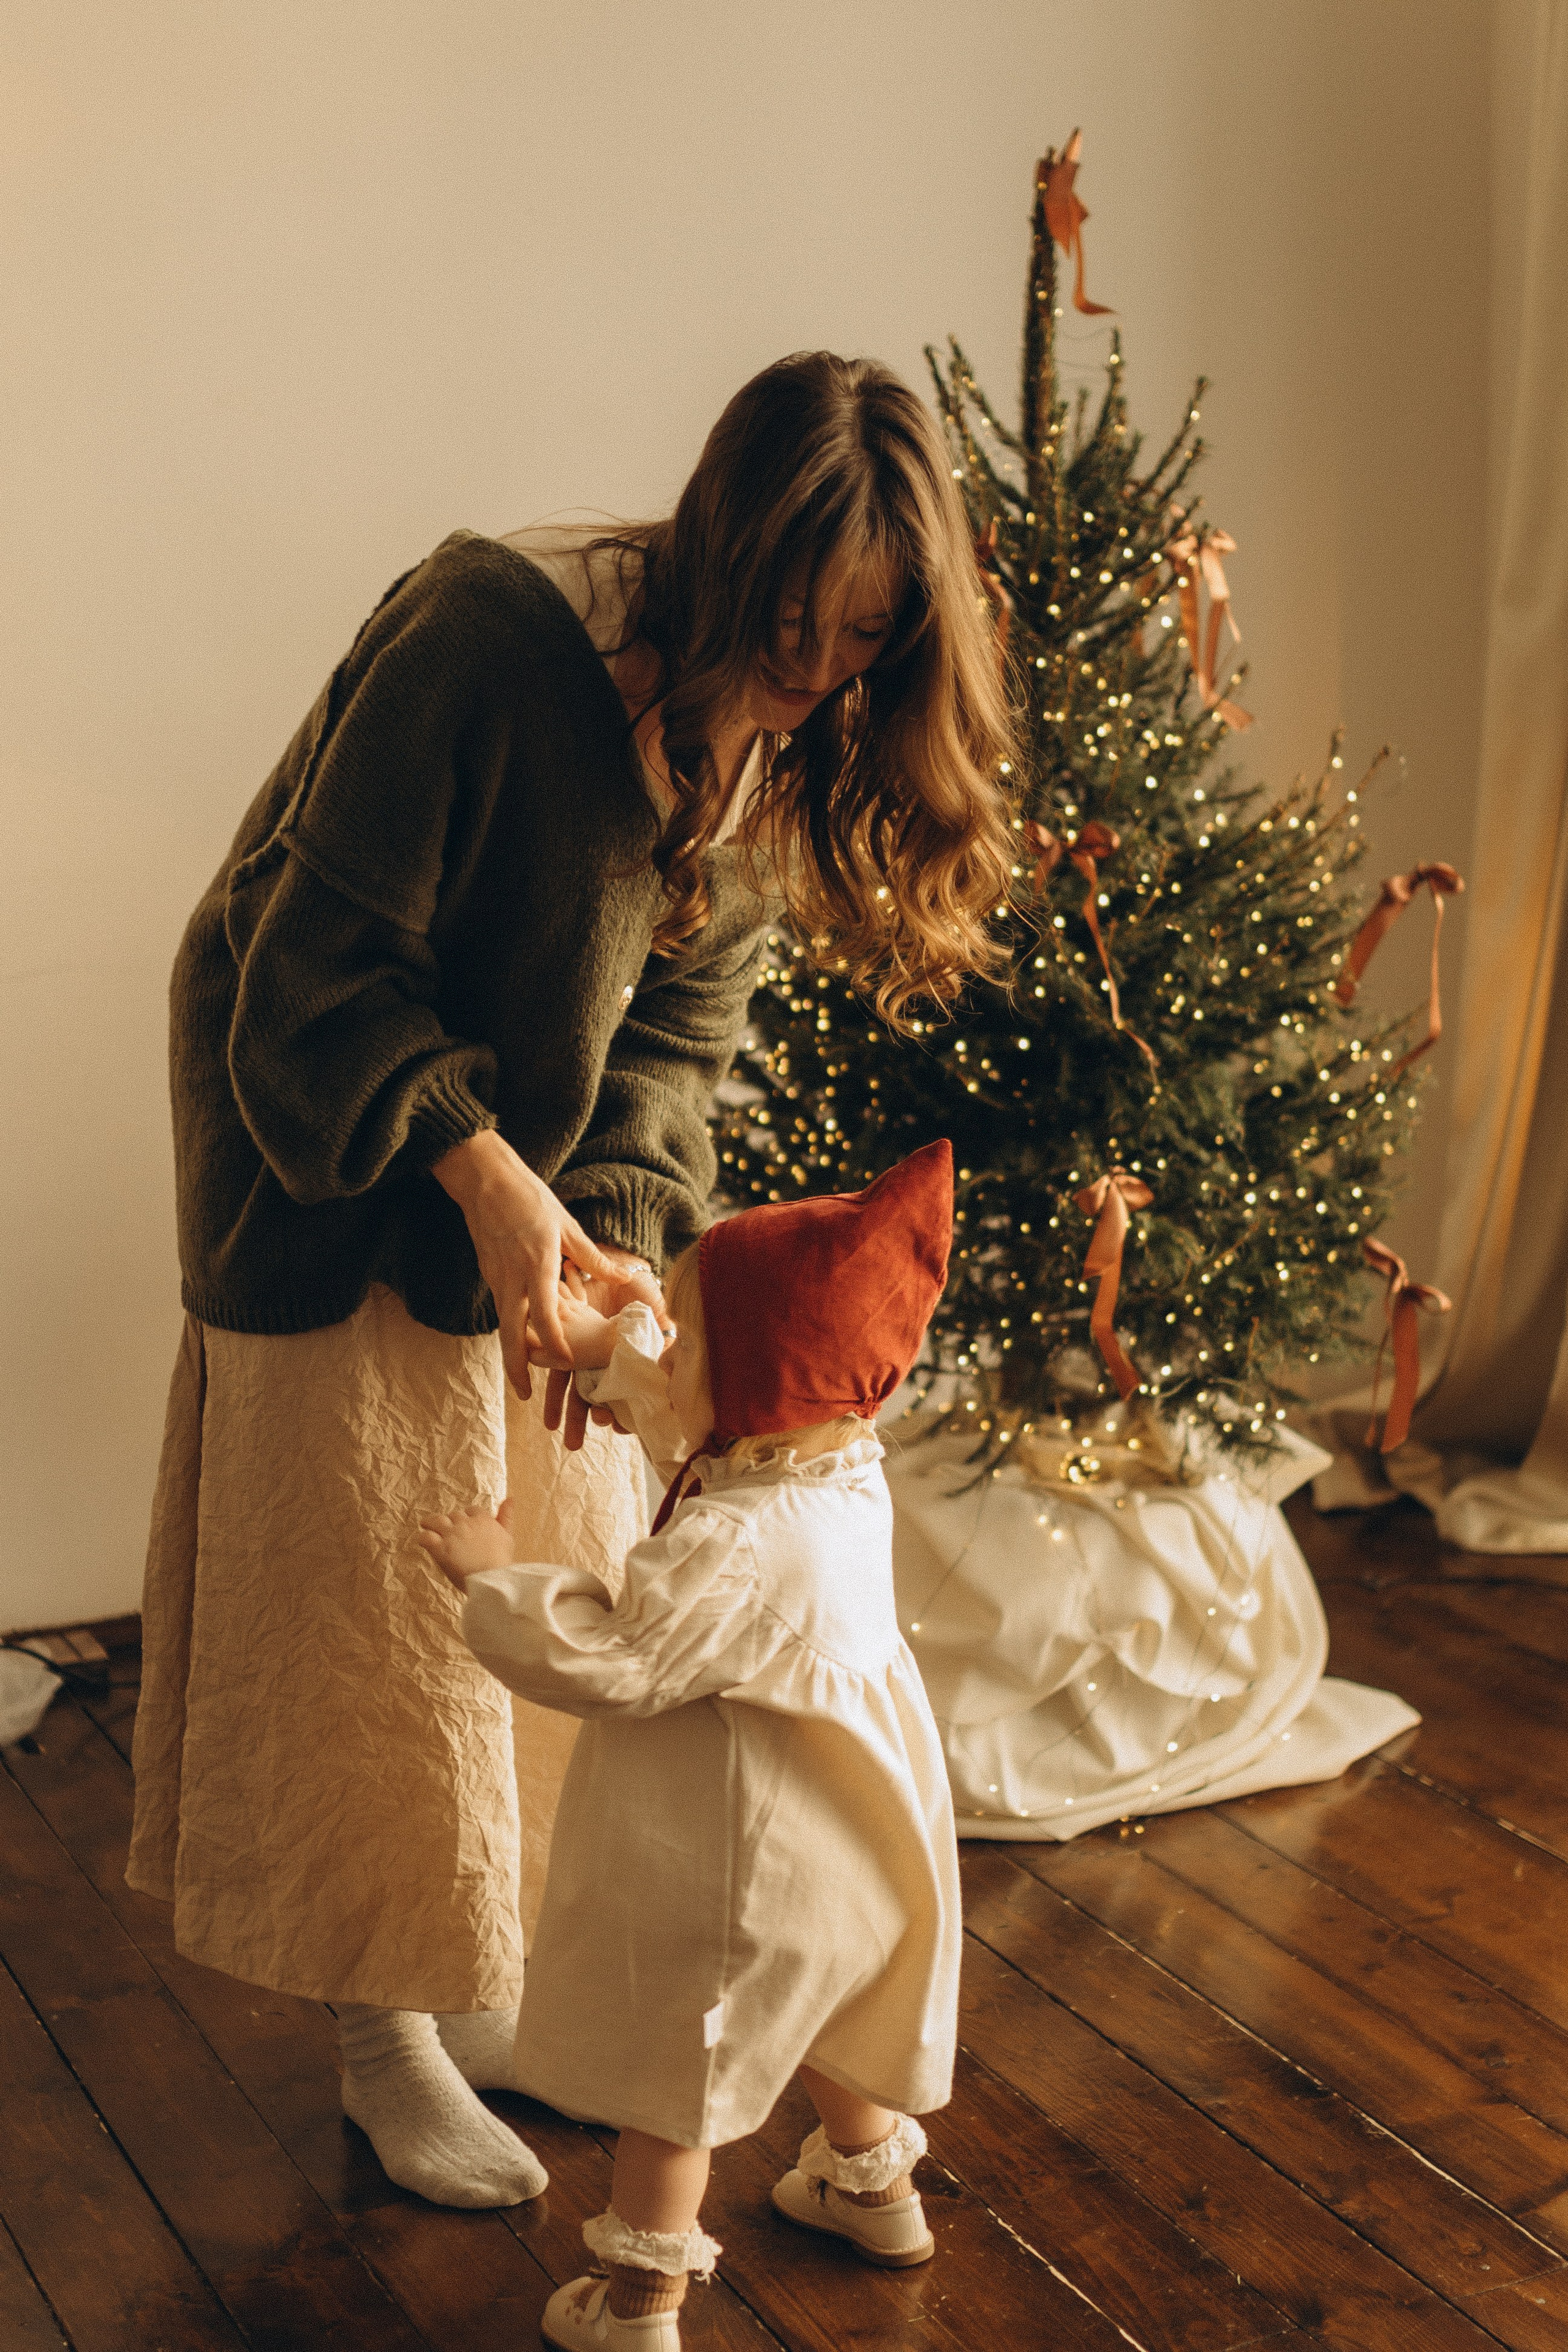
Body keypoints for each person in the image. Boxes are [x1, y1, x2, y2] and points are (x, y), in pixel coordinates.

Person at [127, 349, 1014, 2208]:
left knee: (558, 1530)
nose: (817, 668)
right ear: (717, 545)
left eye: (861, 639)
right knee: (371, 1580)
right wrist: (484, 1181)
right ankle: (383, 2037)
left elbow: (677, 1050)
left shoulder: (788, 744)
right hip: (322, 1117)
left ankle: (482, 1981)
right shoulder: (482, 636)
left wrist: (596, 1222)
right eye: (790, 621)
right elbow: (314, 966)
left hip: (513, 1150)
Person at [419, 1142, 961, 2351]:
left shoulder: (732, 1548)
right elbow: (704, 1403)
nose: (668, 1349)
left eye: (692, 1340)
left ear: (756, 1380)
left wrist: (498, 1582)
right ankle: (871, 2194)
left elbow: (611, 1662)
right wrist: (606, 1339)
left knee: (681, 2080)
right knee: (822, 2012)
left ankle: (637, 2308)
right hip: (852, 1856)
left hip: (740, 1876)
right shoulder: (838, 1465)